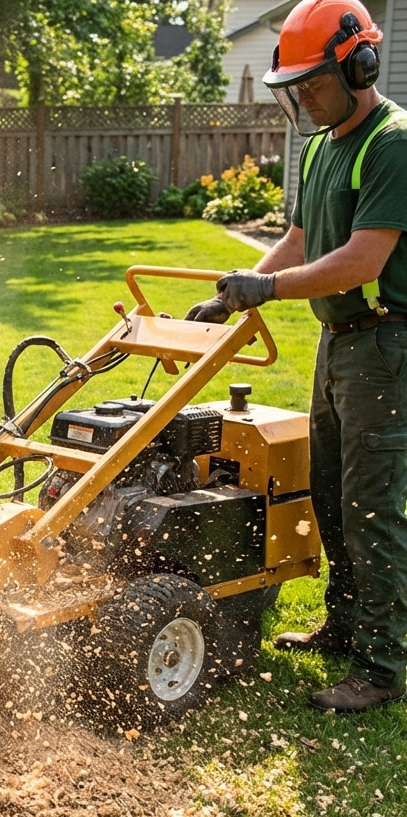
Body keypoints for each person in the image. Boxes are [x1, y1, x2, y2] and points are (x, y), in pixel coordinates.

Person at [187, 0, 407, 713]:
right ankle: (343, 627)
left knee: (373, 505)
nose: (304, 99)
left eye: (313, 84)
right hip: (337, 342)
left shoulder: (393, 143)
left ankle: (380, 667)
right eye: (296, 87)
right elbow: (302, 241)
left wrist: (271, 286)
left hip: (385, 343)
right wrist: (236, 296)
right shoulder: (319, 146)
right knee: (330, 498)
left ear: (359, 65)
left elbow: (361, 258)